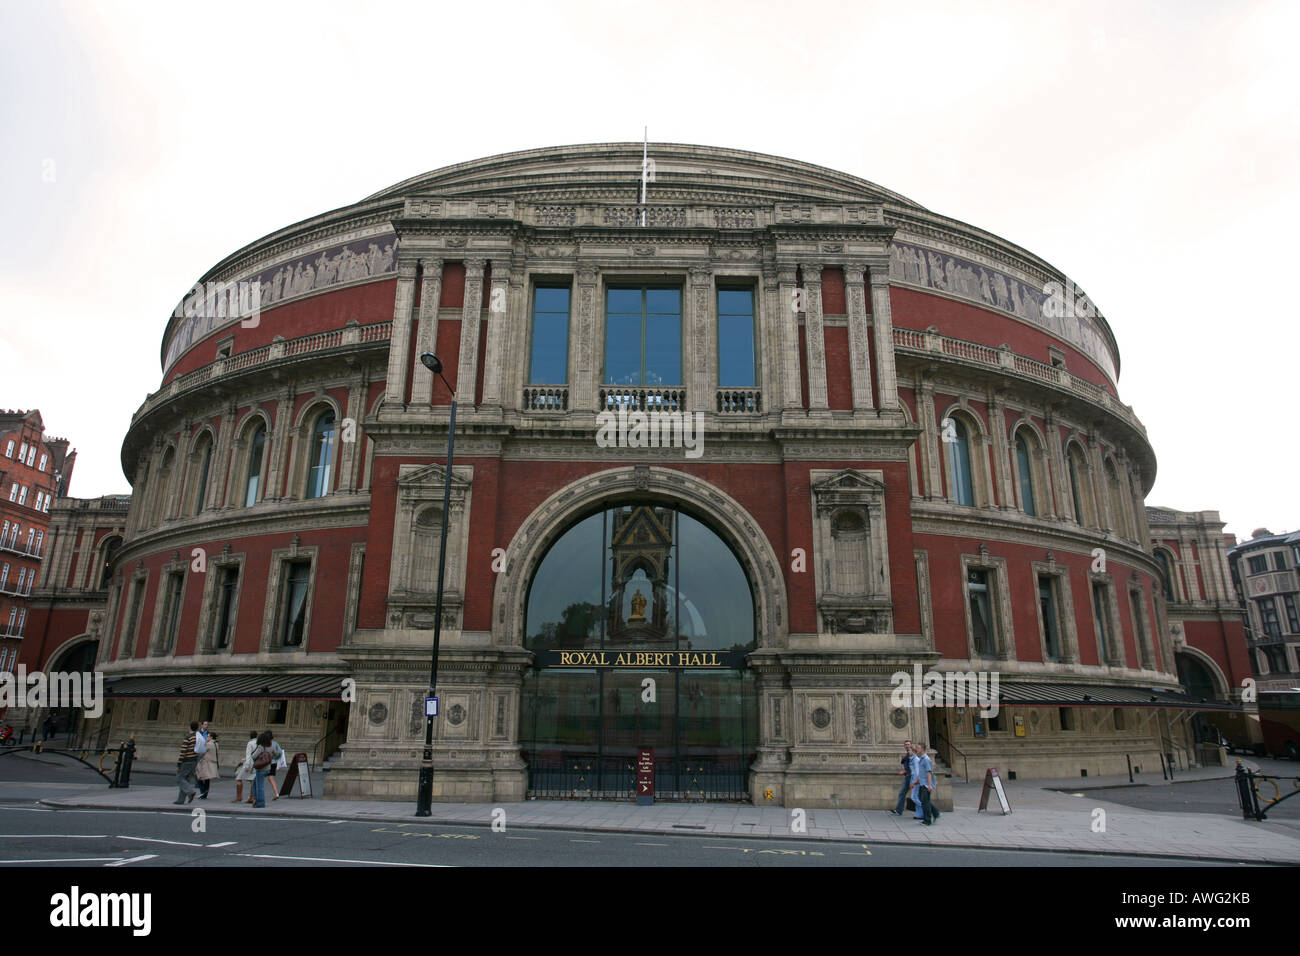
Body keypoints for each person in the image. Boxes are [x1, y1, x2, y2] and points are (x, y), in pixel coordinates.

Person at [174, 721, 202, 805]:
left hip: (186, 760)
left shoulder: (188, 737)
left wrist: (179, 764)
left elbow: (183, 751)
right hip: (194, 760)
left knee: (180, 778)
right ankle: (180, 799)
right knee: (186, 779)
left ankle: (190, 792)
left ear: (190, 727)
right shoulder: (198, 738)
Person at [915, 742, 941, 826]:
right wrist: (917, 780)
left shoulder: (926, 759)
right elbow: (921, 772)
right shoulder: (921, 759)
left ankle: (927, 820)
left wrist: (929, 785)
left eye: (918, 748)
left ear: (922, 749)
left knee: (925, 802)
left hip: (926, 784)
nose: (917, 750)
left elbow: (929, 772)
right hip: (922, 783)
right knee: (924, 800)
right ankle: (936, 813)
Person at [890, 741, 914, 816]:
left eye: (908, 744)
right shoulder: (908, 754)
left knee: (917, 796)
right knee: (903, 793)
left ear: (911, 745)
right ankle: (899, 810)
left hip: (911, 776)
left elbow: (914, 766)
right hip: (908, 775)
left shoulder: (913, 755)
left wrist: (906, 771)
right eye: (906, 745)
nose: (907, 746)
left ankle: (934, 812)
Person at [251, 731, 273, 808]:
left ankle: (260, 802)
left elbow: (253, 756)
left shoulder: (261, 747)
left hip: (261, 768)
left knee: (259, 785)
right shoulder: (270, 746)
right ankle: (256, 800)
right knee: (255, 783)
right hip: (267, 768)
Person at [233, 731, 257, 803]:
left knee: (239, 778)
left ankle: (239, 796)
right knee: (252, 780)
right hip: (255, 764)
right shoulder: (259, 743)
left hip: (249, 764)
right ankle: (252, 797)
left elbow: (248, 755)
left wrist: (246, 765)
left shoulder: (250, 743)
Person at [196, 731, 220, 799]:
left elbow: (202, 751)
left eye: (208, 736)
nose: (207, 737)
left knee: (199, 777)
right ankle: (205, 793)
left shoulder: (209, 744)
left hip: (206, 763)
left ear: (211, 737)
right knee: (207, 779)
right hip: (212, 763)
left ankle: (203, 792)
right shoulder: (216, 744)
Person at [266, 733, 284, 800]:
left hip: (266, 763)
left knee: (259, 778)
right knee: (271, 778)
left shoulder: (265, 744)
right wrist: (276, 758)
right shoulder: (275, 743)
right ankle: (276, 793)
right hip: (273, 763)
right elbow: (280, 752)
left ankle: (253, 795)